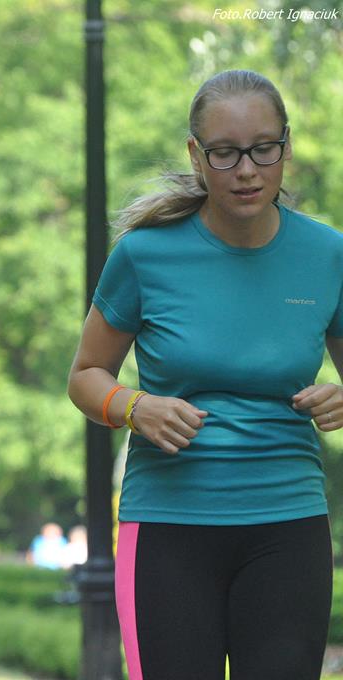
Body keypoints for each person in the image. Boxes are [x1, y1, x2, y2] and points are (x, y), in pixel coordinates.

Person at [68, 69, 343, 680]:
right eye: (225, 153)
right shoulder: (145, 255)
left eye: (263, 149)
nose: (247, 170)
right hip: (168, 524)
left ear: (287, 147)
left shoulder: (328, 254)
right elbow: (85, 376)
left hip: (288, 523)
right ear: (197, 155)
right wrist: (135, 406)